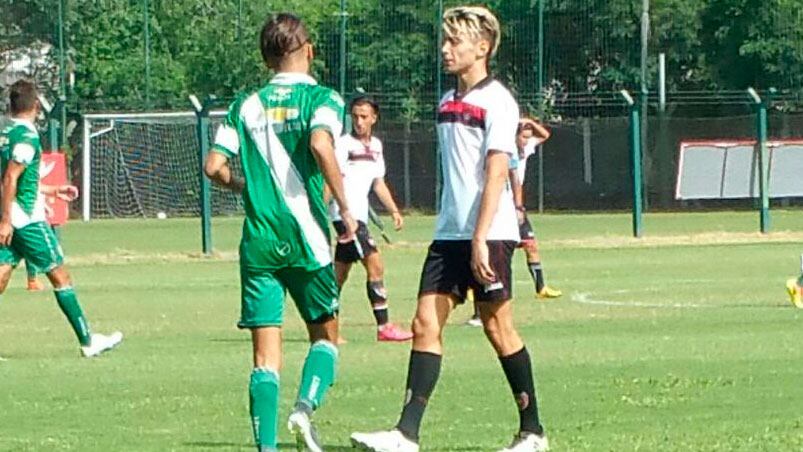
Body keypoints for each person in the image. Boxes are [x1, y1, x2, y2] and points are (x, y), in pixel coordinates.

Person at [350, 6, 549, 452]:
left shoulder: (498, 101)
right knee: (425, 323)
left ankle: (533, 431)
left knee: (499, 329)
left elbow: (497, 171)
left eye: (454, 41)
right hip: (448, 235)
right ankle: (405, 433)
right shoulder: (445, 102)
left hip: (489, 234)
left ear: (482, 47)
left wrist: (480, 238)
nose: (445, 49)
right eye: (444, 40)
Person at [203, 13, 357, 452]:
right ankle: (304, 408)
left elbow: (213, 167)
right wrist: (345, 206)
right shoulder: (324, 99)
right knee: (326, 336)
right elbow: (321, 144)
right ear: (308, 49)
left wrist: (243, 184)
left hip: (260, 243)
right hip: (308, 238)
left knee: (263, 359)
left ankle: (266, 447)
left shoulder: (245, 105)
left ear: (265, 57)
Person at [0, 79, 123, 358]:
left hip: (11, 216)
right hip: (26, 221)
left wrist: (53, 190)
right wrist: (7, 220)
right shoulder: (27, 137)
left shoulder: (5, 135)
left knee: (2, 274)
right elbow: (10, 178)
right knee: (60, 275)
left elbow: (15, 180)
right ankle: (88, 340)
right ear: (35, 106)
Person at [330, 96, 413, 342]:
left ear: (374, 118)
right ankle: (384, 327)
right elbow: (330, 180)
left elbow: (378, 183)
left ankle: (326, 327)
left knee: (339, 275)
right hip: (347, 217)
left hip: (359, 216)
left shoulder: (376, 145)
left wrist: (394, 211)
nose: (359, 121)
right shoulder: (343, 145)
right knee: (375, 263)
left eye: (364, 116)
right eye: (355, 116)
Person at [466, 117, 561, 326]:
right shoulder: (501, 149)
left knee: (530, 246)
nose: (527, 141)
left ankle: (540, 287)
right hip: (496, 207)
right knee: (487, 253)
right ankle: (478, 309)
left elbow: (543, 135)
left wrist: (527, 122)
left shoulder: (523, 151)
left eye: (528, 137)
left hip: (513, 207)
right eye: (523, 137)